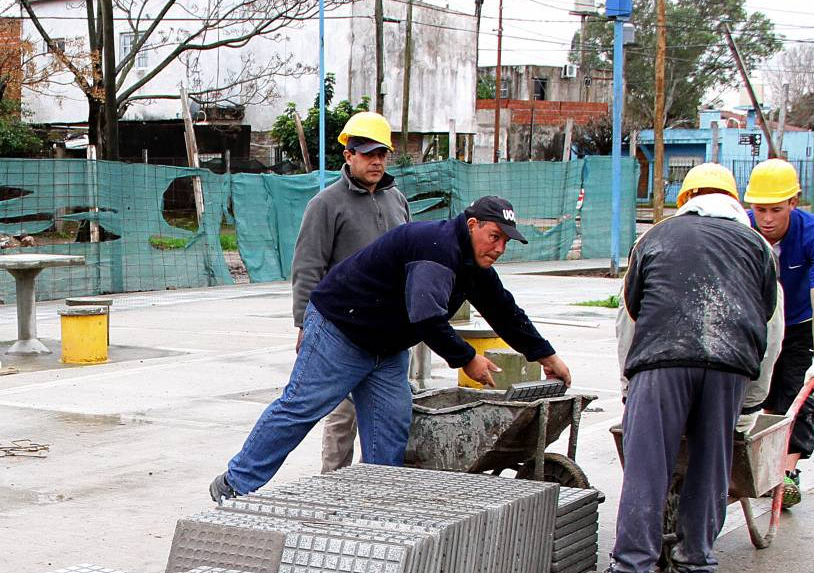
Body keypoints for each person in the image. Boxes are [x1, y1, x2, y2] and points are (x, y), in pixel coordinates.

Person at [211, 196, 572, 501]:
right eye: (494, 237)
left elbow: (505, 312)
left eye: (505, 241)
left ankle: (376, 505)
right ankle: (235, 484)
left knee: (390, 430)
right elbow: (427, 316)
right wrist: (466, 358)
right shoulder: (437, 249)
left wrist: (546, 355)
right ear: (472, 224)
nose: (499, 248)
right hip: (341, 330)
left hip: (387, 347)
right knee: (301, 408)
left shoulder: (472, 262)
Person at [581, 164, 783, 573]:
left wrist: (630, 386)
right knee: (712, 465)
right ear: (736, 203)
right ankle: (693, 567)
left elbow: (630, 318)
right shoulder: (758, 248)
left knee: (648, 467)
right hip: (731, 367)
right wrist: (752, 404)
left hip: (662, 361)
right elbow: (772, 331)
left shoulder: (654, 238)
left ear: (685, 200)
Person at [290, 111, 411, 473]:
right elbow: (308, 266)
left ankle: (374, 486)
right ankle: (333, 484)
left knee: (387, 417)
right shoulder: (326, 204)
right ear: (349, 155)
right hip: (343, 330)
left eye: (382, 154)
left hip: (388, 331)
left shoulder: (396, 200)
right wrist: (304, 323)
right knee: (342, 416)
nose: (377, 162)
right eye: (368, 154)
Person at [745, 159, 814, 508]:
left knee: (798, 397)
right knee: (755, 395)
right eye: (760, 209)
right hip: (755, 324)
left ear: (793, 203)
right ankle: (748, 461)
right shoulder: (742, 229)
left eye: (776, 210)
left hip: (799, 325)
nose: (767, 219)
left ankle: (786, 474)